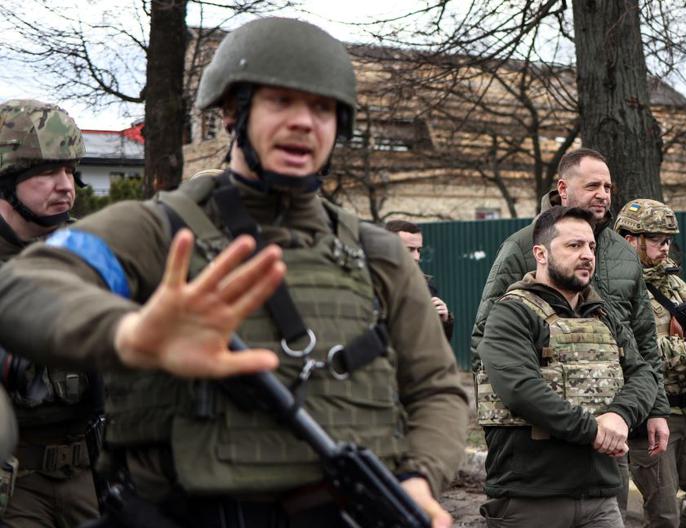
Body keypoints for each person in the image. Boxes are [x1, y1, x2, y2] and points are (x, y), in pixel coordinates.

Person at [0, 17, 467, 528]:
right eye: (279, 102)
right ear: (230, 111)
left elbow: (434, 387)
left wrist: (420, 478)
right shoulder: (157, 231)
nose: (304, 122)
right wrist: (131, 333)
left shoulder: (378, 252)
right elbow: (26, 287)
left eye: (322, 107)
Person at [471, 148, 670, 518]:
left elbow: (642, 340)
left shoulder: (623, 254)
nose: (604, 194)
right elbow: (488, 342)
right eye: (592, 185)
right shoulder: (521, 248)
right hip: (538, 456)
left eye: (608, 186)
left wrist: (644, 411)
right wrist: (503, 431)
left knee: (616, 507)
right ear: (563, 188)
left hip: (609, 436)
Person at [0, 99, 101, 527]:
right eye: (46, 172)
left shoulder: (95, 252)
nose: (66, 185)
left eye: (70, 170)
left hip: (91, 473)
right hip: (13, 483)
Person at [615, 199, 686, 528]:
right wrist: (685, 353)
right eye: (657, 241)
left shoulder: (675, 284)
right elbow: (630, 343)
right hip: (651, 413)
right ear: (630, 240)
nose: (665, 248)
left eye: (668, 241)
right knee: (663, 514)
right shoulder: (613, 286)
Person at [385, 219, 454, 340]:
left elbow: (436, 344)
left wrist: (444, 321)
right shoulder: (371, 285)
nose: (416, 257)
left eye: (418, 250)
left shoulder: (426, 286)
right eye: (409, 249)